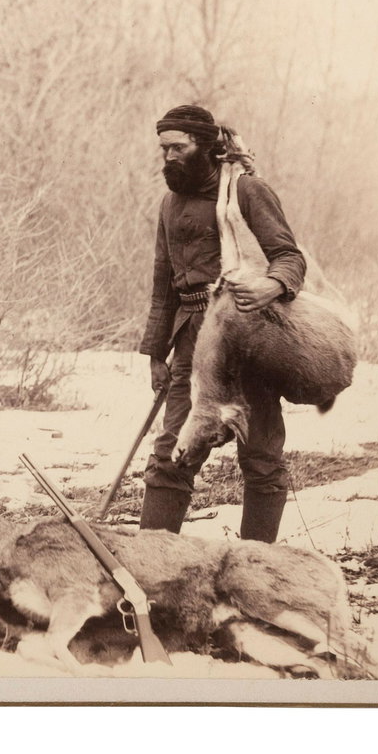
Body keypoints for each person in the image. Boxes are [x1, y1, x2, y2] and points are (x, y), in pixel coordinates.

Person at [137, 104, 306, 543]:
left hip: (245, 336)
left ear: (207, 146)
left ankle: (256, 565)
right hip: (191, 343)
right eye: (164, 149)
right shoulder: (170, 204)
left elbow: (289, 258)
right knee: (172, 453)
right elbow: (163, 284)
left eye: (179, 147)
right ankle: (154, 566)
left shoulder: (248, 192)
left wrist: (273, 286)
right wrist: (157, 353)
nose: (169, 157)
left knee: (261, 455)